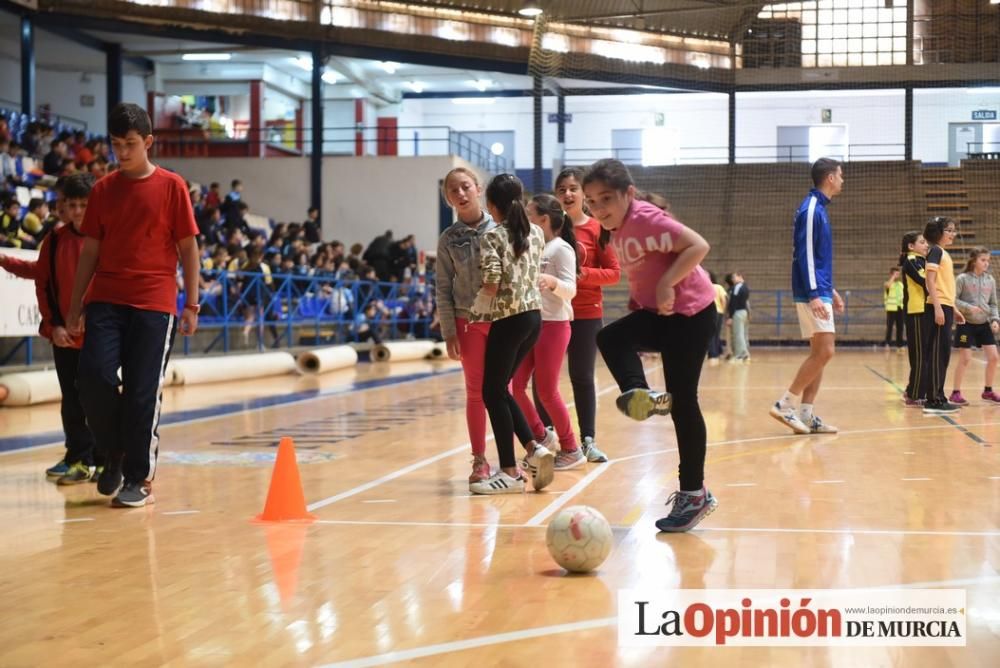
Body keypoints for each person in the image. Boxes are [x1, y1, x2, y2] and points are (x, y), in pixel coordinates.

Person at [65, 103, 201, 508]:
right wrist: (75, 305)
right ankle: (113, 452)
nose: (122, 153)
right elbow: (90, 252)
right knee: (92, 378)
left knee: (143, 392)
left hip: (155, 305)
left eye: (129, 144)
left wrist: (191, 304)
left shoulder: (172, 186)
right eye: (115, 145)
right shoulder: (104, 190)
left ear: (148, 143)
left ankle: (138, 478)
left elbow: (189, 248)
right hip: (106, 300)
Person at [583, 159, 718, 532]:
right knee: (611, 337)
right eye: (591, 202)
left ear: (628, 193)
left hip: (692, 313)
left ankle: (694, 494)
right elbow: (646, 264)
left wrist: (667, 283)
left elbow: (697, 245)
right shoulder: (616, 226)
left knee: (684, 402)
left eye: (605, 199)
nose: (598, 209)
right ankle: (640, 394)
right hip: (662, 312)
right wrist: (644, 296)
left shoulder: (645, 218)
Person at [0, 173, 100, 483]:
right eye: (73, 205)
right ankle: (77, 457)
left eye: (85, 204)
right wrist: (55, 325)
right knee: (71, 399)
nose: (79, 211)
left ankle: (107, 457)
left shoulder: (107, 241)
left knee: (101, 398)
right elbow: (42, 280)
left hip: (99, 335)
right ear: (65, 207)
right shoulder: (54, 240)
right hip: (63, 336)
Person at [468, 174, 551, 495]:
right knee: (500, 389)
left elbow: (491, 284)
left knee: (491, 393)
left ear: (491, 206)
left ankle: (510, 473)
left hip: (508, 319)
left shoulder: (492, 237)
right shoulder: (537, 234)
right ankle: (533, 447)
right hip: (533, 319)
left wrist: (475, 312)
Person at [539, 167, 621, 462]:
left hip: (586, 313)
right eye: (561, 189)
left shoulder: (598, 228)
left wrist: (579, 275)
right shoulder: (544, 230)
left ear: (583, 194)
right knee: (542, 380)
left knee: (582, 376)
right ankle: (544, 439)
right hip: (550, 314)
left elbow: (614, 273)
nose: (567, 194)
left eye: (573, 188)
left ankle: (587, 440)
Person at [769, 157, 845, 434]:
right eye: (840, 175)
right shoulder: (812, 208)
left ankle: (807, 413)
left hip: (819, 289)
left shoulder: (818, 208)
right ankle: (785, 405)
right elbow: (806, 256)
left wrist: (830, 290)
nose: (842, 180)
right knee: (826, 351)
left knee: (819, 354)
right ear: (830, 178)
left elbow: (818, 258)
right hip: (811, 292)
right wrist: (815, 293)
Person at [435, 168, 497, 485]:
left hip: (503, 319)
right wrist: (449, 332)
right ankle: (480, 461)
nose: (460, 194)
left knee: (506, 392)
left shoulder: (501, 228)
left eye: (465, 187)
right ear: (448, 198)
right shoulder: (448, 240)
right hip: (467, 320)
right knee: (475, 393)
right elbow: (443, 288)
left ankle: (515, 459)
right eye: (453, 191)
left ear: (478, 188)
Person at [511, 193, 582, 470]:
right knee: (515, 386)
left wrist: (552, 281)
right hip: (531, 324)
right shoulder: (531, 247)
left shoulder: (561, 249)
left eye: (529, 214)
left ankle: (571, 448)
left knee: (547, 391)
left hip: (554, 325)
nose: (524, 219)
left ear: (543, 219)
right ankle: (541, 435)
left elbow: (571, 289)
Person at [919, 217, 963, 414]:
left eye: (954, 230)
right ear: (939, 233)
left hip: (945, 306)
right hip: (938, 307)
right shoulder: (936, 251)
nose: (953, 234)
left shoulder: (942, 253)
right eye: (950, 230)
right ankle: (933, 400)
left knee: (942, 354)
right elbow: (930, 281)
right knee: (938, 354)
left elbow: (944, 286)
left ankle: (939, 396)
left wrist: (953, 308)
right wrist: (937, 308)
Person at [949, 247, 1000, 405]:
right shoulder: (962, 279)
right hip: (966, 324)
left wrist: (995, 320)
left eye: (987, 261)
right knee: (966, 357)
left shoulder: (990, 280)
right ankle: (955, 393)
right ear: (973, 260)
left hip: (984, 324)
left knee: (993, 357)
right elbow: (953, 300)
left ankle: (988, 391)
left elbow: (993, 303)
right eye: (983, 260)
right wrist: (968, 307)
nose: (986, 263)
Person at [899, 231, 929, 407]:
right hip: (916, 312)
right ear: (911, 246)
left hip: (923, 311)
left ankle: (912, 389)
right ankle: (915, 394)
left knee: (923, 354)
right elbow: (925, 280)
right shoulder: (911, 261)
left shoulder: (921, 261)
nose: (926, 245)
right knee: (919, 355)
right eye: (922, 242)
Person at [726, 271, 750, 362]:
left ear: (740, 276)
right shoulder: (746, 287)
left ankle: (741, 355)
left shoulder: (737, 287)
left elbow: (733, 302)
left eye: (734, 277)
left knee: (738, 334)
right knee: (743, 334)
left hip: (738, 313)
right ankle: (744, 353)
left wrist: (730, 317)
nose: (732, 279)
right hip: (744, 312)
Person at [707, 271, 728, 365]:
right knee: (715, 334)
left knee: (711, 334)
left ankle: (713, 354)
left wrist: (723, 310)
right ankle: (718, 352)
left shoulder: (717, 287)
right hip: (718, 312)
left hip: (715, 312)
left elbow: (724, 299)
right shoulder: (717, 287)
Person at [883, 267, 905, 350]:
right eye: (896, 274)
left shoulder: (900, 284)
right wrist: (893, 277)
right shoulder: (887, 283)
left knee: (900, 327)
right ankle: (887, 344)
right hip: (891, 308)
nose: (897, 276)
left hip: (900, 308)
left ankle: (900, 345)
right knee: (890, 327)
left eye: (898, 274)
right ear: (891, 274)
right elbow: (888, 286)